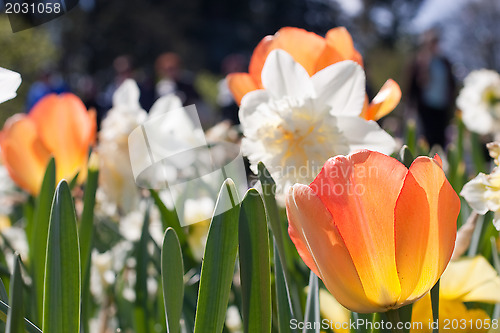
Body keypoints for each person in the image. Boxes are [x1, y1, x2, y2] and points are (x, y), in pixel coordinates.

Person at [408, 29, 456, 148]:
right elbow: (412, 84)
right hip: (426, 106)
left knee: (440, 136)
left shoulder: (444, 62)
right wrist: (410, 105)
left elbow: (451, 83)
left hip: (442, 105)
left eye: (436, 42)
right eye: (431, 42)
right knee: (427, 136)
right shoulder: (419, 61)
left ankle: (440, 162)